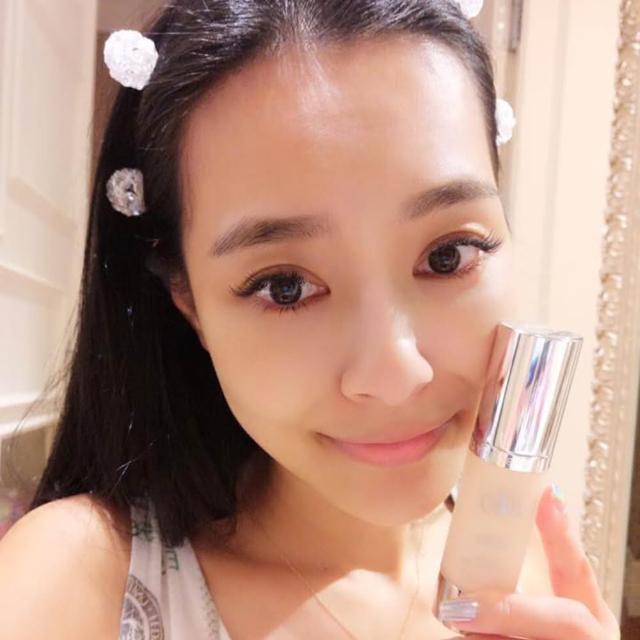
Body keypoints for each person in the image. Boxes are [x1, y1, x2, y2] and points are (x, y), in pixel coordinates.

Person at [0, 1, 620, 638]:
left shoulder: (528, 570)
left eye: (448, 255)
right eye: (286, 287)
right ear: (188, 301)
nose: (395, 374)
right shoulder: (74, 585)